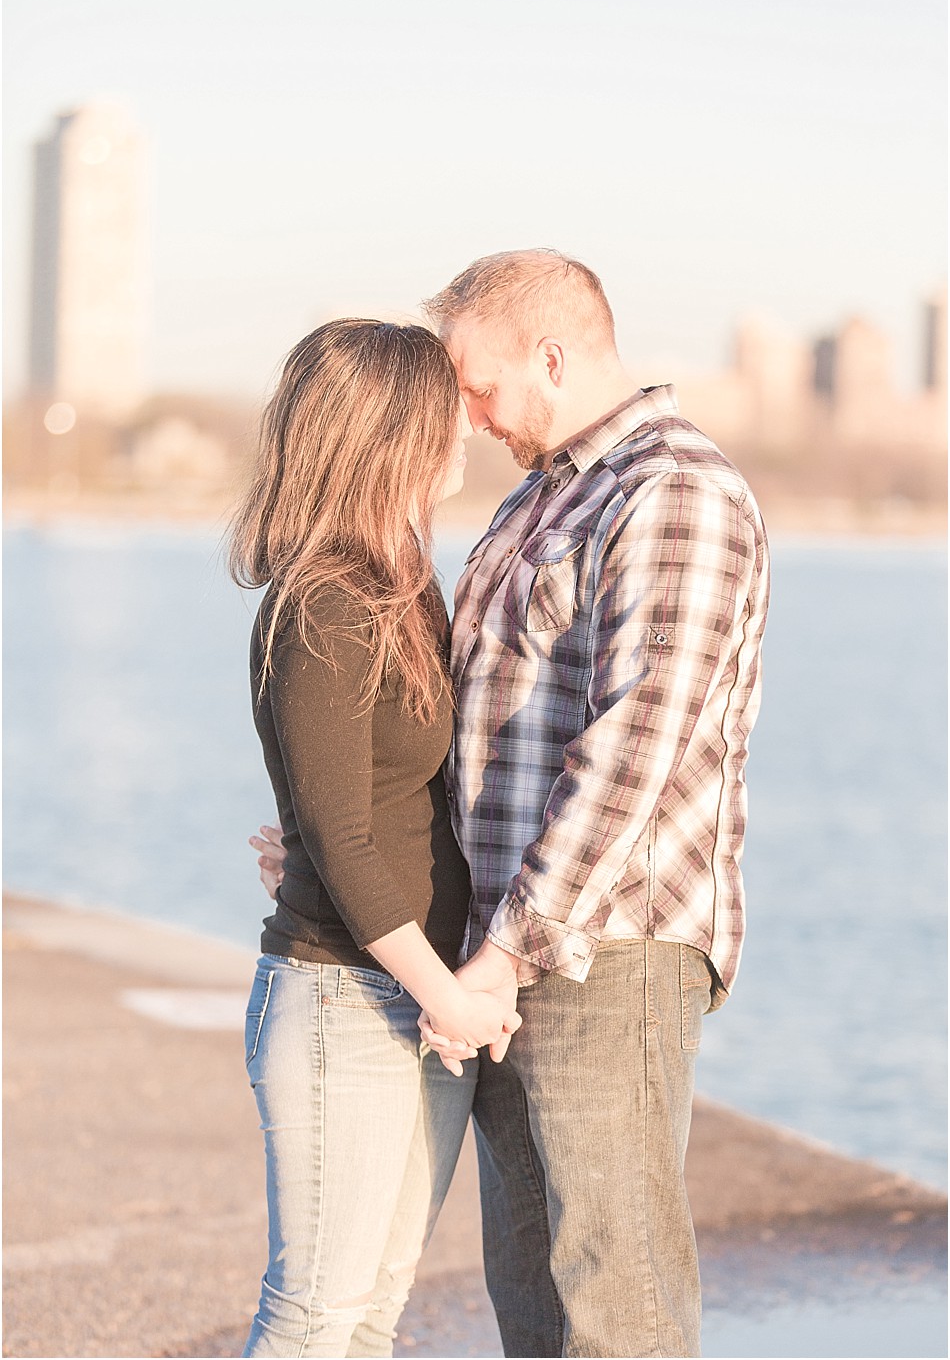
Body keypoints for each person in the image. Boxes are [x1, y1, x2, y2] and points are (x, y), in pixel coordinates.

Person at [256, 251, 771, 1359]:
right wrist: (341, 845)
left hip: (601, 950)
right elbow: (448, 737)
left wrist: (494, 961)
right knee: (533, 1302)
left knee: (613, 1301)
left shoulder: (670, 493)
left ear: (551, 357)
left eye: (480, 386)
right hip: (498, 958)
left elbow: (633, 750)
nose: (471, 415)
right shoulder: (541, 500)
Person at [229, 318, 520, 1359]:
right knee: (314, 1314)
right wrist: (449, 998)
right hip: (345, 1000)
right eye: (445, 412)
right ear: (390, 431)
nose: (465, 428)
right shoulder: (324, 601)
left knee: (370, 1318)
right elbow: (343, 836)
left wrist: (451, 988)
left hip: (416, 995)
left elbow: (386, 803)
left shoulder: (402, 583)